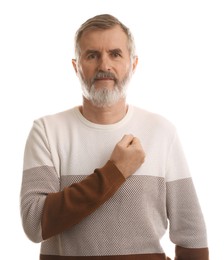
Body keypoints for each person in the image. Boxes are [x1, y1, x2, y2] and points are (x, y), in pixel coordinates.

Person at [20, 14, 209, 260]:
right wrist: (115, 171)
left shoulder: (162, 132)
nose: (104, 66)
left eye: (115, 54)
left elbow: (192, 236)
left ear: (133, 64)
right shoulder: (46, 131)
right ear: (76, 67)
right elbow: (34, 224)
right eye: (92, 55)